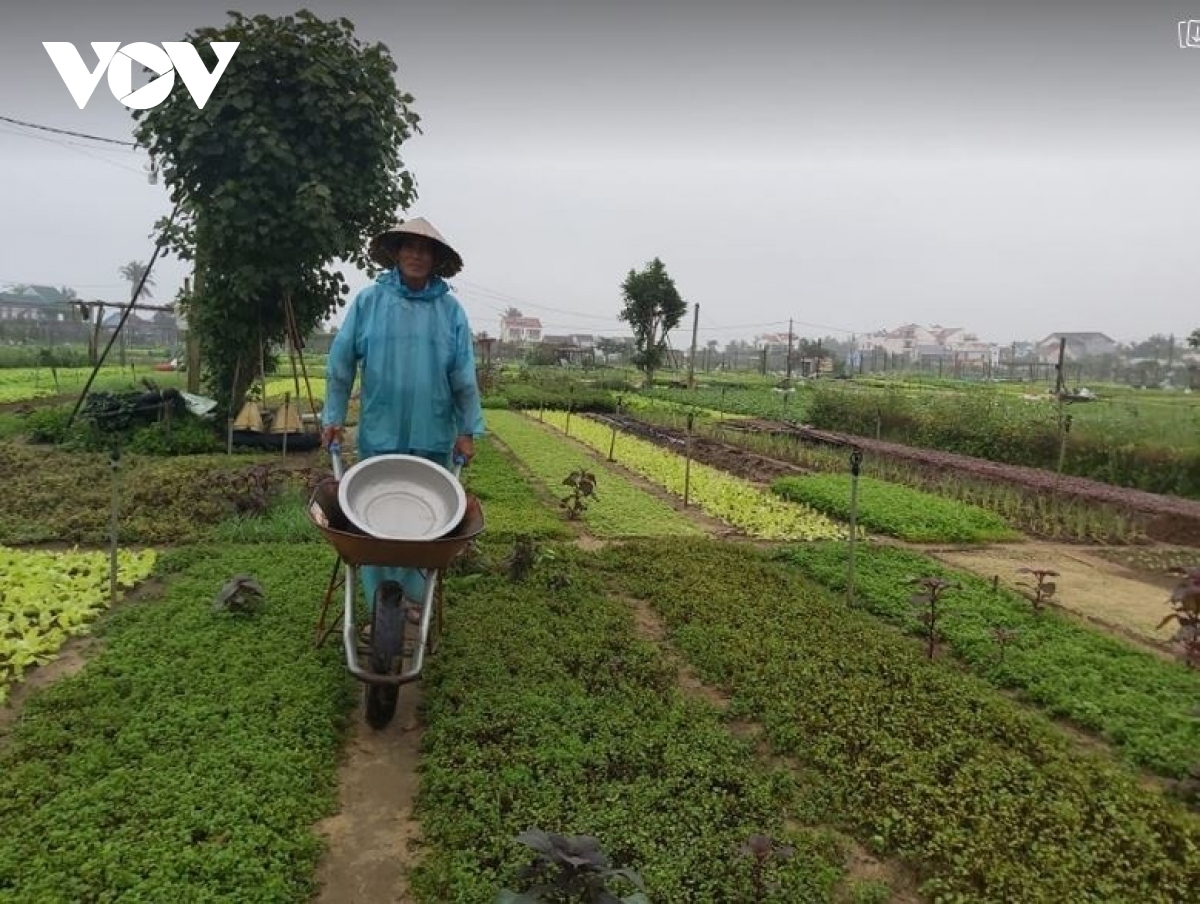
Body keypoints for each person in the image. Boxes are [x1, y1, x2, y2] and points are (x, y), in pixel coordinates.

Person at [321, 217, 485, 616]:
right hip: (380, 432)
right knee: (376, 520)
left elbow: (463, 376)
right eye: (409, 246)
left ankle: (413, 594)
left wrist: (467, 430)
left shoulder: (450, 312)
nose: (417, 254)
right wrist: (333, 417)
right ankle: (381, 595)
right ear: (396, 253)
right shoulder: (369, 302)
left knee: (425, 519)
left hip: (432, 434)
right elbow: (341, 365)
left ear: (435, 259)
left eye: (425, 249)